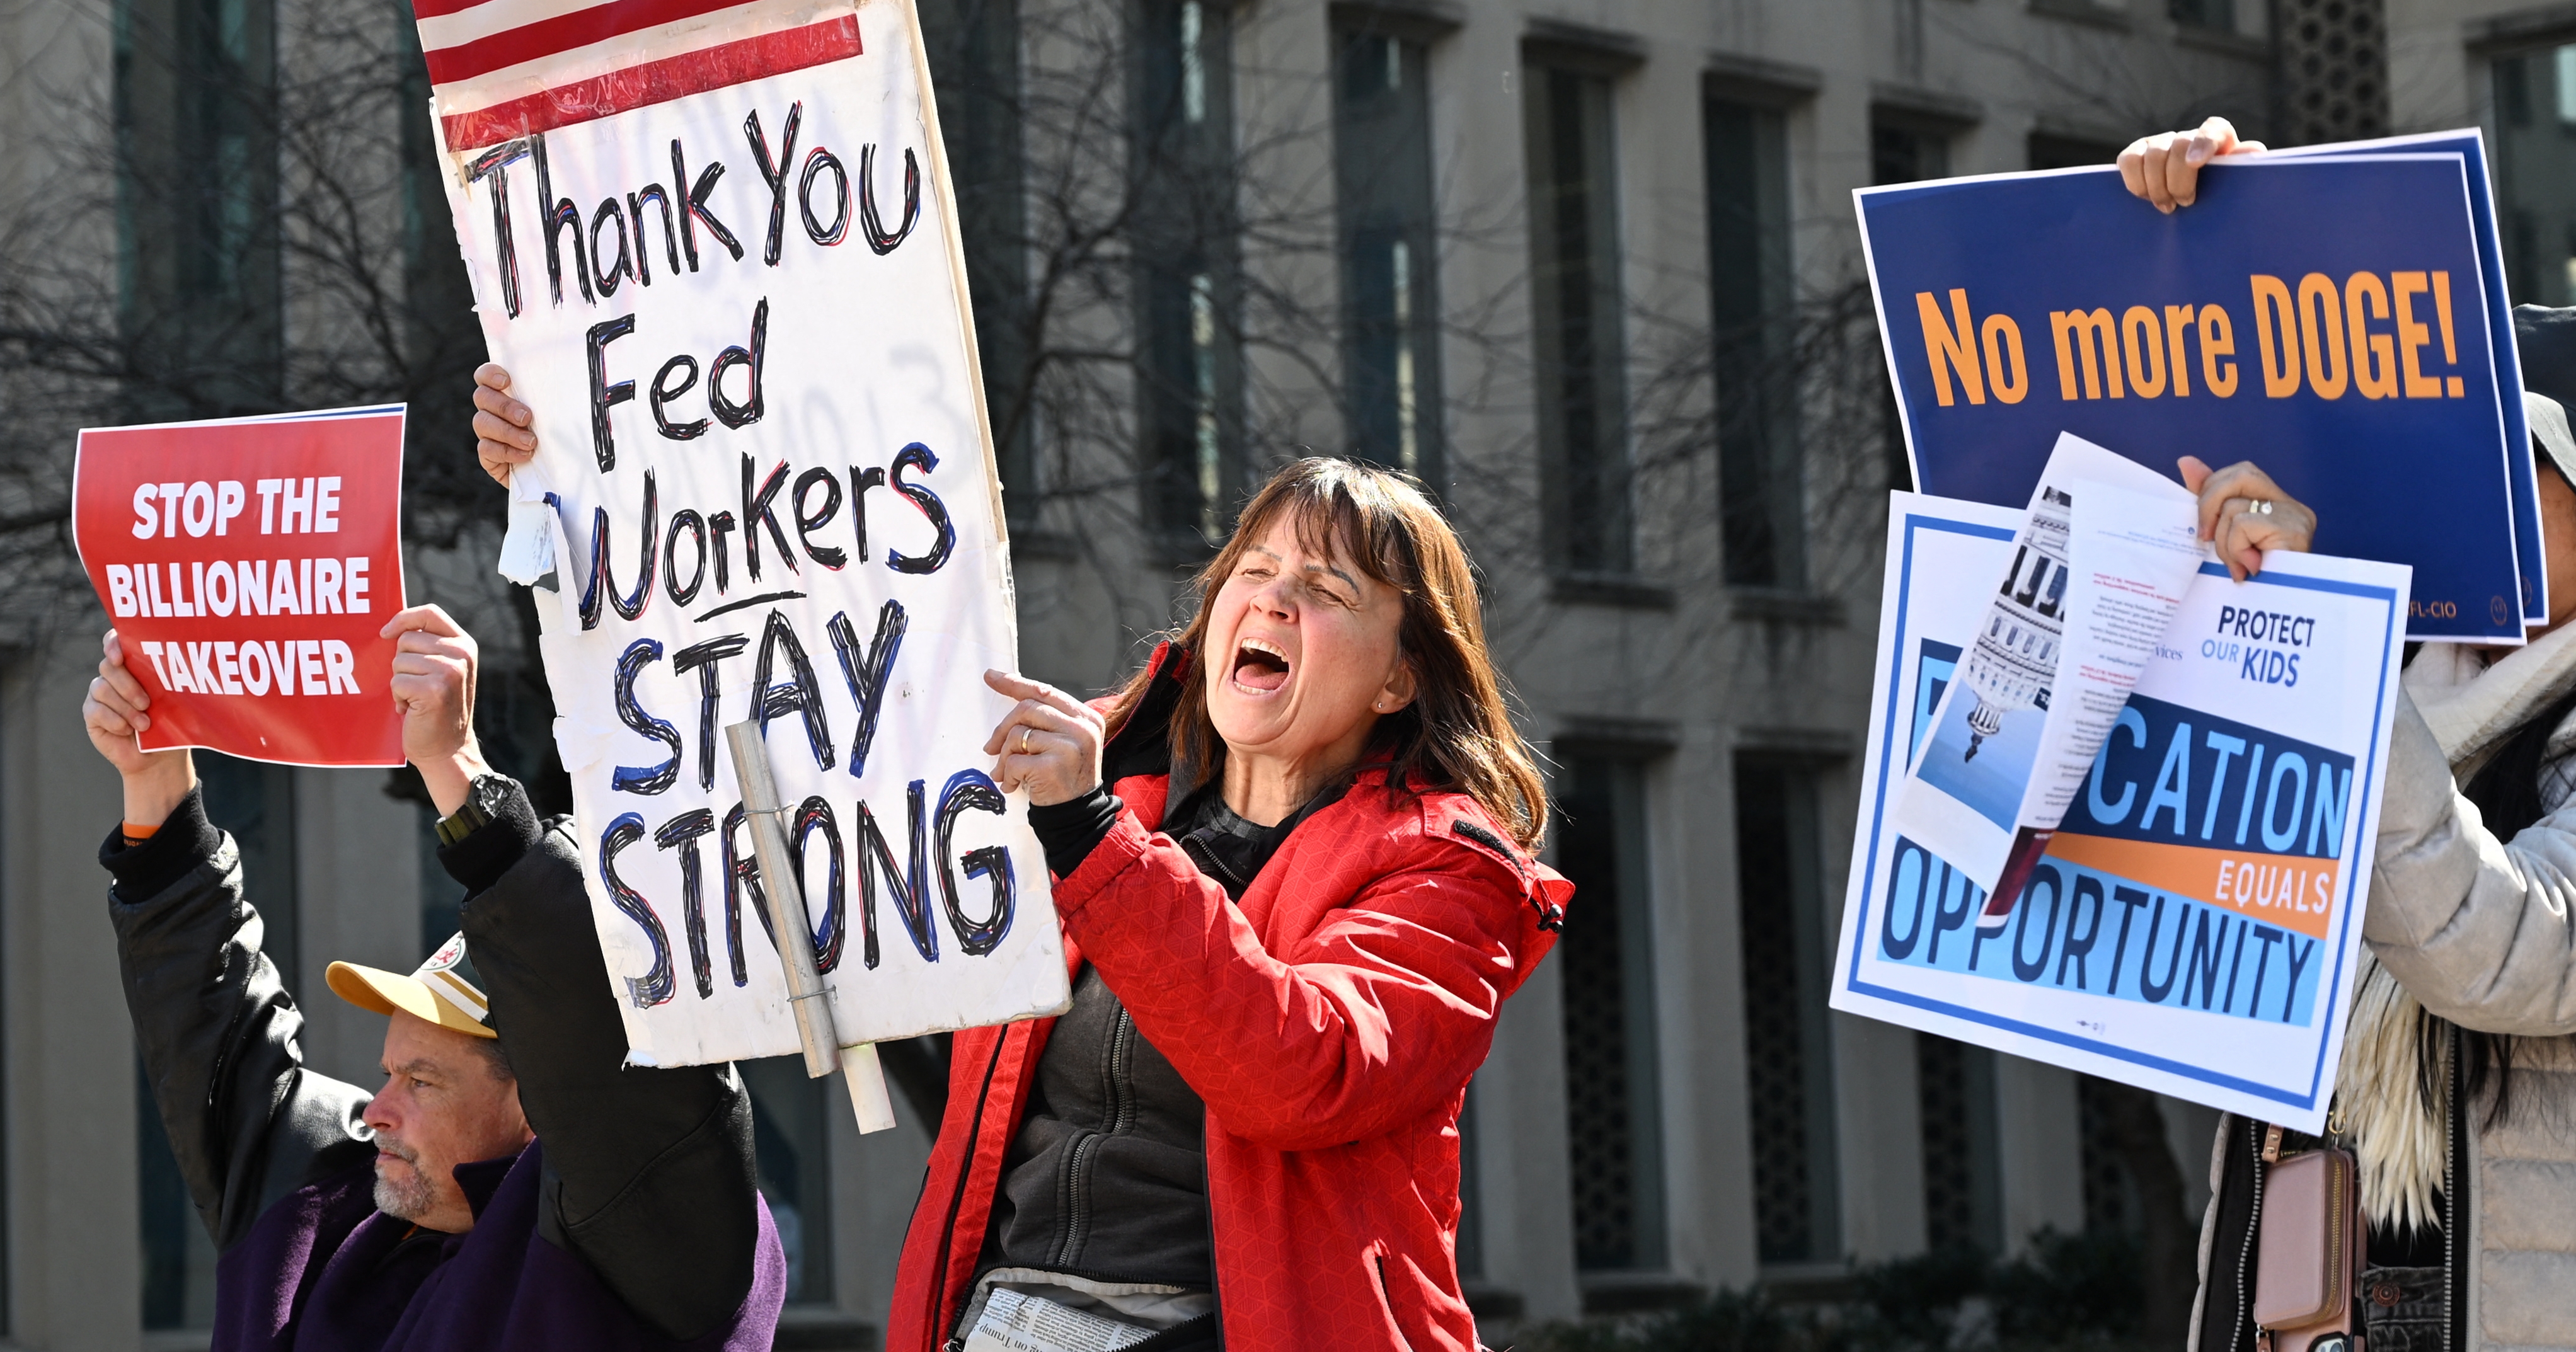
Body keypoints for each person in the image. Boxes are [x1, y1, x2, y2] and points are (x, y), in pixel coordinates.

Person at [471, 365, 1573, 1351]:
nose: (1273, 597)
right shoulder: (1090, 788)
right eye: (1257, 566)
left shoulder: (1448, 870)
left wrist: (1093, 835)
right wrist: (580, 485)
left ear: (1397, 681)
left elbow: (1301, 1071)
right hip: (1005, 1317)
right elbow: (804, 683)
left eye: (1327, 591)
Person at [2119, 121, 2576, 1352]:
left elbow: (2510, 948)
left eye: (2512, 461)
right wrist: (2203, 232)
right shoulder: (2373, 688)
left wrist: (2325, 644)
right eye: (2446, 454)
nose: (2462, 492)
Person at [85, 597, 785, 1350]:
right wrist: (155, 795)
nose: (376, 1109)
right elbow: (214, 1045)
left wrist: (455, 768)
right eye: (391, 1073)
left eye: (422, 1081)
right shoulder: (342, 1211)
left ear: (539, 1104)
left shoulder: (648, 1229)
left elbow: (605, 1053)